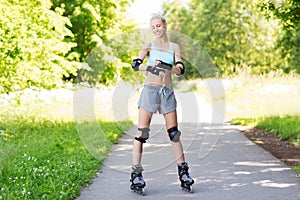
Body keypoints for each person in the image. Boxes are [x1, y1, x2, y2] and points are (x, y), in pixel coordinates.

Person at [129, 14, 194, 194]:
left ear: (165, 25)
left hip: (167, 93)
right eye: (153, 27)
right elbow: (135, 64)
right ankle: (136, 174)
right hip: (150, 91)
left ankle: (184, 173)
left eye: (159, 25)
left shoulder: (174, 47)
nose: (157, 29)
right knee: (142, 133)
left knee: (174, 134)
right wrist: (150, 67)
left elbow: (180, 70)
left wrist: (168, 66)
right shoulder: (148, 46)